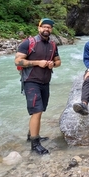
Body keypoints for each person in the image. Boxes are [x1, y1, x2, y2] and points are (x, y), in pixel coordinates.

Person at [14, 18, 61, 155]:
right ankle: (35, 144)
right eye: (44, 27)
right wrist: (37, 63)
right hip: (31, 81)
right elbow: (17, 61)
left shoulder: (53, 44)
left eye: (49, 27)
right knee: (37, 111)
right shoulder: (29, 43)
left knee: (40, 109)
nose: (46, 29)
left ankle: (31, 135)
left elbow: (58, 61)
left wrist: (53, 64)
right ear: (39, 28)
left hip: (45, 82)